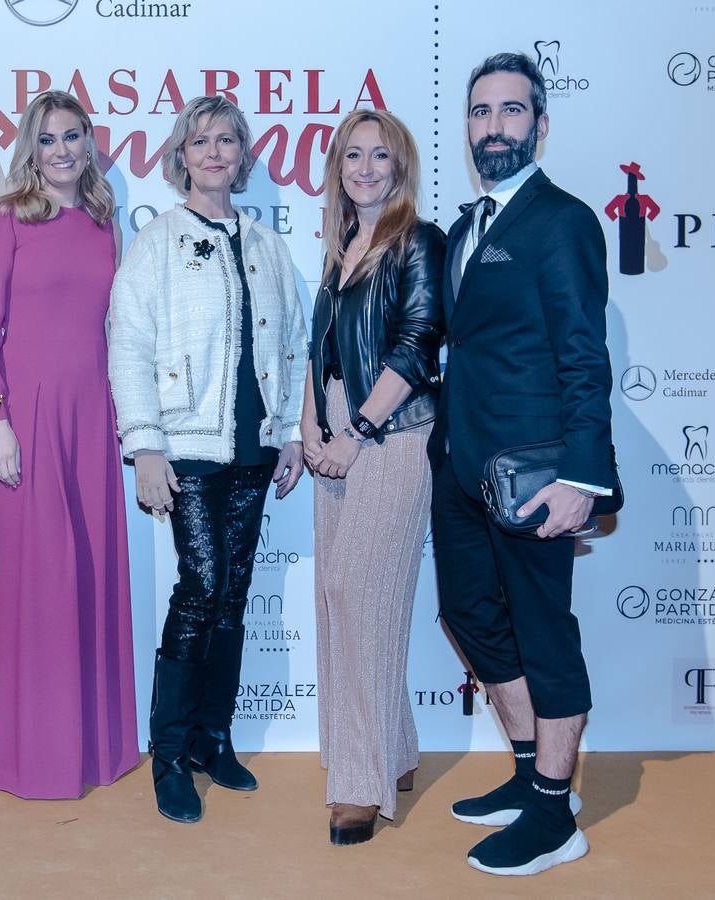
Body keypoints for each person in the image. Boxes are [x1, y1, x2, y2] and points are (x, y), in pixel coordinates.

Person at [430, 52, 614, 876]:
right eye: (480, 113)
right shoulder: (469, 225)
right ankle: (530, 775)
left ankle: (554, 816)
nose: (493, 127)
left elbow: (584, 355)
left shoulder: (562, 220)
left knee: (546, 633)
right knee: (469, 614)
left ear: (539, 125)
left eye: (510, 112)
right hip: (463, 468)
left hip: (539, 475)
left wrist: (582, 477)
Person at [108, 95, 307, 824]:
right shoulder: (157, 242)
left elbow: (294, 344)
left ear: (243, 154)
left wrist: (290, 432)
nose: (216, 152)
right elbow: (127, 344)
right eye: (201, 142)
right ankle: (168, 753)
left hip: (255, 449)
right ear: (180, 156)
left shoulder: (267, 243)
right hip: (188, 449)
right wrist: (144, 446)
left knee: (234, 593)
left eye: (228, 140)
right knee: (201, 587)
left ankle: (212, 738)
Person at [0, 91, 139, 800]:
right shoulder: (3, 217)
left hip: (93, 418)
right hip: (28, 417)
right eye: (48, 139)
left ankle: (97, 750)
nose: (63, 150)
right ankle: (38, 756)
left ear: (89, 144)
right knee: (41, 582)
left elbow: (113, 329)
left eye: (74, 136)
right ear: (29, 150)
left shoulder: (104, 222)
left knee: (92, 577)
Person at [302, 109, 444, 846]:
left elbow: (419, 345)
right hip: (332, 429)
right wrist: (308, 426)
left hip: (390, 434)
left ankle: (360, 783)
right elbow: (319, 346)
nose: (364, 168)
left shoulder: (419, 241)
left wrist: (355, 432)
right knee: (338, 598)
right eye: (352, 156)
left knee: (360, 593)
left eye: (379, 156)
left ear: (400, 167)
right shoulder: (341, 246)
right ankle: (397, 750)